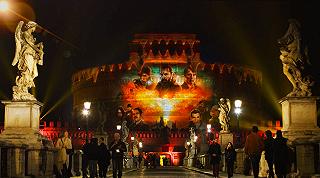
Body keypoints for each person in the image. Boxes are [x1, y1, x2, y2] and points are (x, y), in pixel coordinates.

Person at [12, 21, 44, 101]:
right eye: (34, 27)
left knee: (31, 72)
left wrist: (39, 46)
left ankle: (24, 90)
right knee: (27, 71)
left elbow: (33, 45)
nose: (35, 29)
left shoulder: (31, 35)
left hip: (31, 55)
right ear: (31, 27)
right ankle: (22, 89)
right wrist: (38, 50)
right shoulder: (25, 34)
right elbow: (30, 44)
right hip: (27, 54)